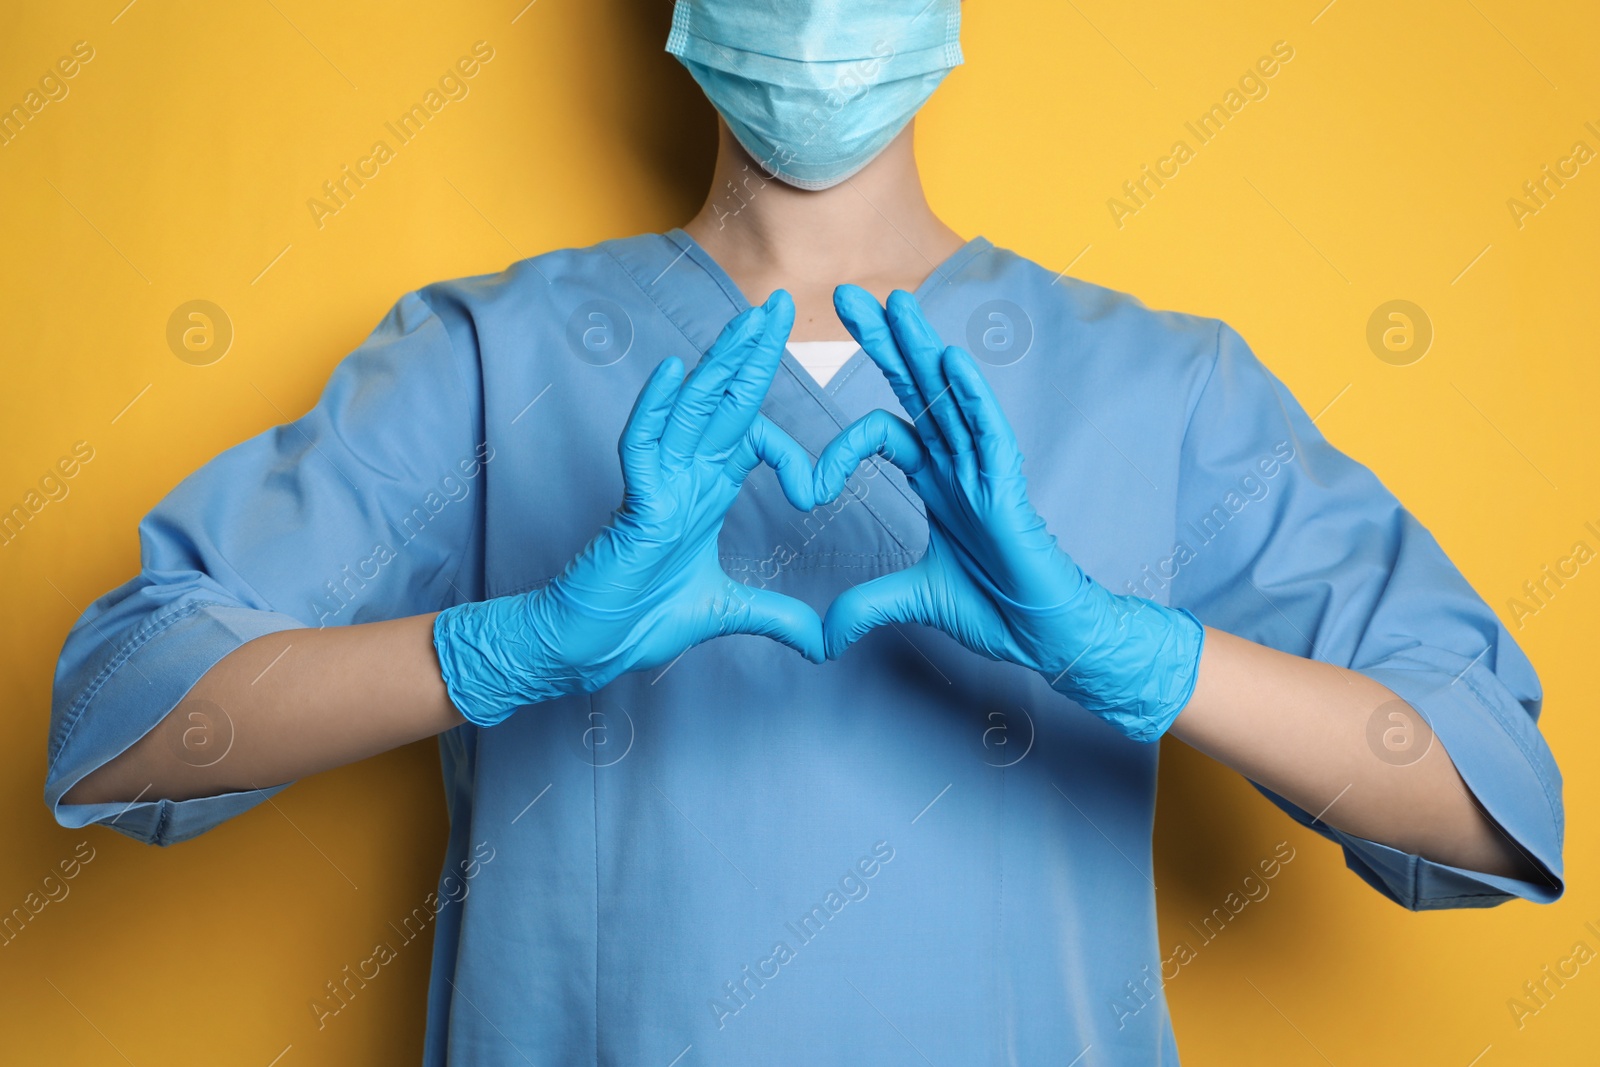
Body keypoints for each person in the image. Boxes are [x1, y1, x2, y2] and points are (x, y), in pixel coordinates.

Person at [48, 1, 1563, 1062]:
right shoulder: (491, 359)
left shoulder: (1161, 388)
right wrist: (507, 649)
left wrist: (1140, 656)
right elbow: (124, 720)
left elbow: (1484, 798)